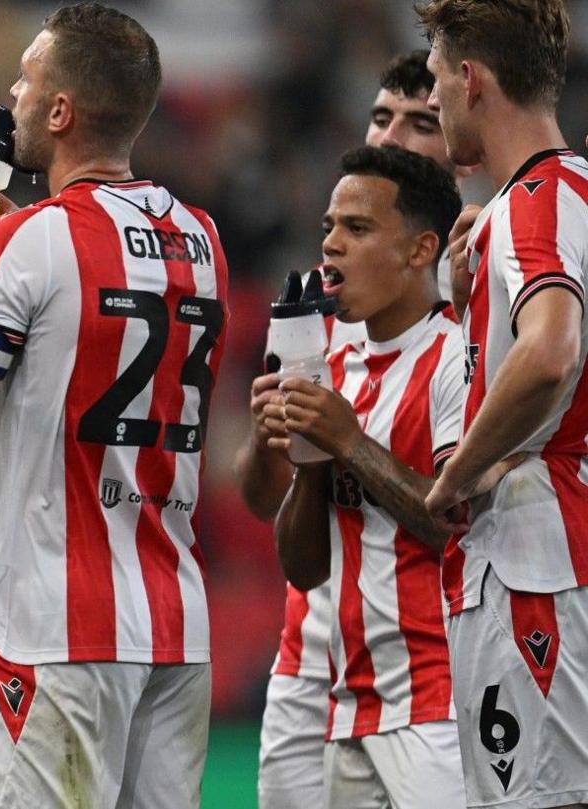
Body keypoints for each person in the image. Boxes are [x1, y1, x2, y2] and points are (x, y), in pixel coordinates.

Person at [0, 5, 230, 806]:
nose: (10, 93)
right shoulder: (203, 237)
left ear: (60, 111)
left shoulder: (30, 241)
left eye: (25, 78)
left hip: (55, 630)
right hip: (175, 625)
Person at [237, 49, 469, 809]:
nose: (396, 136)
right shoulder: (320, 338)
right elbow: (274, 515)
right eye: (381, 118)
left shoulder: (467, 335)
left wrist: (344, 440)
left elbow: (461, 523)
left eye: (420, 121)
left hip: (438, 678)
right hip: (326, 664)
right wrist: (289, 438)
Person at [418, 2, 588, 807]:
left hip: (537, 563)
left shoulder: (528, 207)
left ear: (471, 78)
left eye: (435, 80)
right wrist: (468, 299)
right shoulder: (571, 197)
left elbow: (551, 349)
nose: (434, 102)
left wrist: (460, 473)